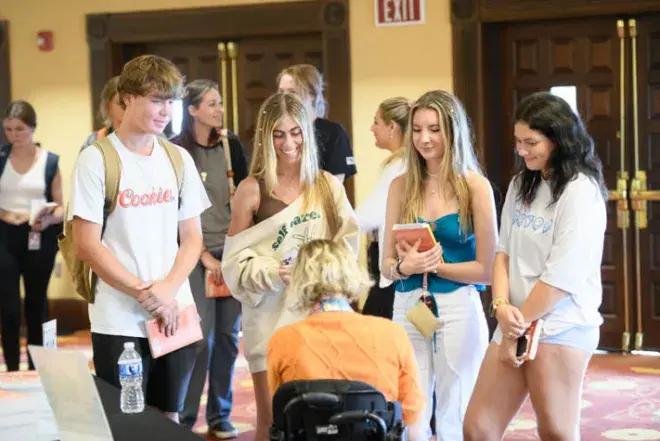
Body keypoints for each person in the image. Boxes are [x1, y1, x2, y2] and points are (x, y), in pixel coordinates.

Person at [69, 55, 211, 422]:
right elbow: (87, 244)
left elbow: (192, 237)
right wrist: (145, 294)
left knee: (171, 415)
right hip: (118, 316)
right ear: (127, 97)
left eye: (170, 101)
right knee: (128, 421)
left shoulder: (178, 158)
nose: (165, 111)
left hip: (174, 311)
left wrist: (167, 291)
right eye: (155, 99)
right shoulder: (96, 159)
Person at [463, 92, 607, 441]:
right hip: (516, 320)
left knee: (555, 430)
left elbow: (561, 278)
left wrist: (521, 323)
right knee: (478, 427)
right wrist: (500, 308)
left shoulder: (580, 192)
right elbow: (503, 253)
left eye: (531, 142)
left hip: (560, 323)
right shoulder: (521, 184)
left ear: (558, 140)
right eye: (518, 142)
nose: (522, 151)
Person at [221, 92, 360, 441]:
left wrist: (321, 274)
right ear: (266, 137)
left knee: (322, 419)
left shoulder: (327, 186)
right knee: (271, 422)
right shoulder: (251, 191)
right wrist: (273, 272)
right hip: (268, 318)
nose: (288, 143)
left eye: (296, 133)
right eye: (278, 134)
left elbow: (348, 247)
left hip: (319, 316)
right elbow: (234, 264)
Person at [381, 90, 497, 440]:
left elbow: (487, 270)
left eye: (434, 129)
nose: (424, 139)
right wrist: (406, 267)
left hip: (459, 304)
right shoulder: (400, 186)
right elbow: (386, 265)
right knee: (411, 408)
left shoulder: (475, 186)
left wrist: (434, 266)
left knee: (457, 407)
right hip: (408, 305)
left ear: (453, 132)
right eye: (417, 130)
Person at [267, 239, 425, 433]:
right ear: (351, 274)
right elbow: (413, 420)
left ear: (298, 280)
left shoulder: (282, 340)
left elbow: (279, 417)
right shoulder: (393, 334)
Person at [171, 79, 248, 438]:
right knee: (200, 339)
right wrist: (201, 255)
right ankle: (186, 416)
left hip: (230, 252)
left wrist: (236, 251)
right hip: (191, 256)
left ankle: (221, 414)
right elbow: (170, 211)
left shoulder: (231, 147)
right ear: (192, 110)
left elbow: (248, 195)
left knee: (229, 337)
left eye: (219, 103)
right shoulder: (175, 152)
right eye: (212, 104)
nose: (219, 110)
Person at [0, 100, 64, 371]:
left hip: (38, 235)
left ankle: (39, 367)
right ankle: (12, 367)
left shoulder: (49, 161)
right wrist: (6, 214)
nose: (14, 135)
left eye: (20, 129)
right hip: (4, 234)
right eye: (9, 130)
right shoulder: (1, 158)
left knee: (37, 304)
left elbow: (62, 207)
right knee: (9, 307)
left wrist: (47, 217)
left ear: (33, 129)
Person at [356, 97, 410, 319]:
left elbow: (367, 216)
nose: (372, 128)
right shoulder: (398, 164)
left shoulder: (399, 166)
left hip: (393, 266)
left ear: (392, 127)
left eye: (376, 122)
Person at [277, 64, 356, 183]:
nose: (285, 98)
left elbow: (335, 184)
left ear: (312, 94)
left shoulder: (333, 132)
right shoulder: (275, 131)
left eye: (292, 92)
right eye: (281, 92)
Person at [81, 76, 124, 150]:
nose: (126, 107)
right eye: (120, 103)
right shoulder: (93, 141)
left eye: (130, 103)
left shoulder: (147, 140)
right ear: (108, 107)